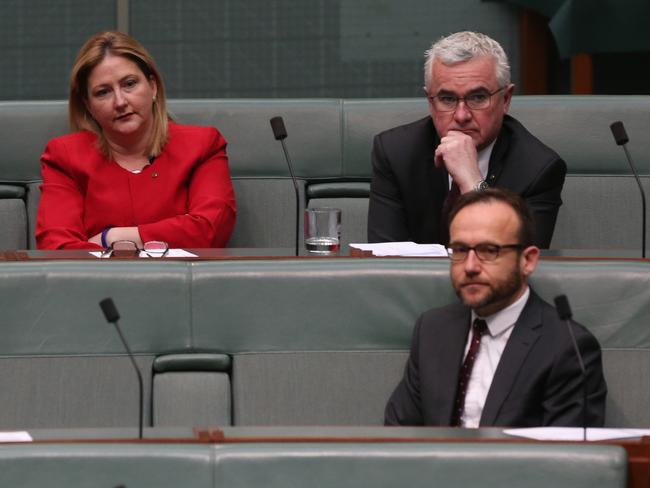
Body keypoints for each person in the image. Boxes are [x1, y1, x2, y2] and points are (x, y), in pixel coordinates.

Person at [384, 188, 606, 427]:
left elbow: (568, 459)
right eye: (459, 250)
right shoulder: (433, 329)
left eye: (489, 251)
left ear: (528, 260)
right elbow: (400, 432)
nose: (470, 266)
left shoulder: (566, 347)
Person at [36, 31, 236, 250]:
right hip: (98, 284)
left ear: (153, 87)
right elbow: (57, 248)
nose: (120, 101)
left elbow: (210, 230)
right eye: (103, 92)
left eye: (129, 84)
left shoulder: (202, 145)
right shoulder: (65, 156)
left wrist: (112, 237)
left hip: (185, 283)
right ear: (88, 105)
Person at [367, 31, 566, 248]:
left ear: (506, 99)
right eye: (447, 99)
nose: (461, 116)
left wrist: (473, 182)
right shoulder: (396, 153)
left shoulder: (538, 168)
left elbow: (515, 262)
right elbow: (384, 259)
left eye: (478, 97)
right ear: (431, 102)